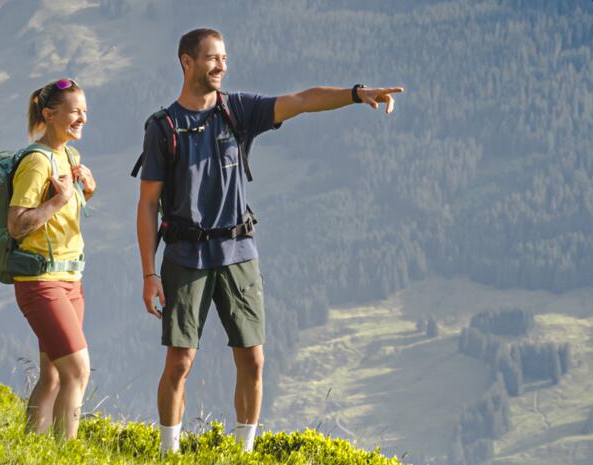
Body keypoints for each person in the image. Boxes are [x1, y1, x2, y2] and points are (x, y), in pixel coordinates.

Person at [135, 28, 402, 454]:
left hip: (239, 252)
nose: (222, 65)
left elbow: (302, 101)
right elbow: (148, 204)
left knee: (253, 360)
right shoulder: (164, 127)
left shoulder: (237, 111)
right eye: (212, 58)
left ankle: (244, 453)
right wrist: (150, 273)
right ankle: (170, 453)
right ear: (187, 62)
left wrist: (356, 93)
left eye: (224, 57)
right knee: (179, 363)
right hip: (185, 256)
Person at [9, 78, 96, 439]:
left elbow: (59, 221)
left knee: (54, 374)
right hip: (40, 283)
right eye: (75, 111)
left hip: (70, 279)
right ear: (49, 114)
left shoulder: (69, 156)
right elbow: (17, 225)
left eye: (85, 112)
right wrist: (58, 201)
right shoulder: (36, 162)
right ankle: (66, 454)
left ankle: (32, 449)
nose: (82, 119)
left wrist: (85, 191)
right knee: (77, 370)